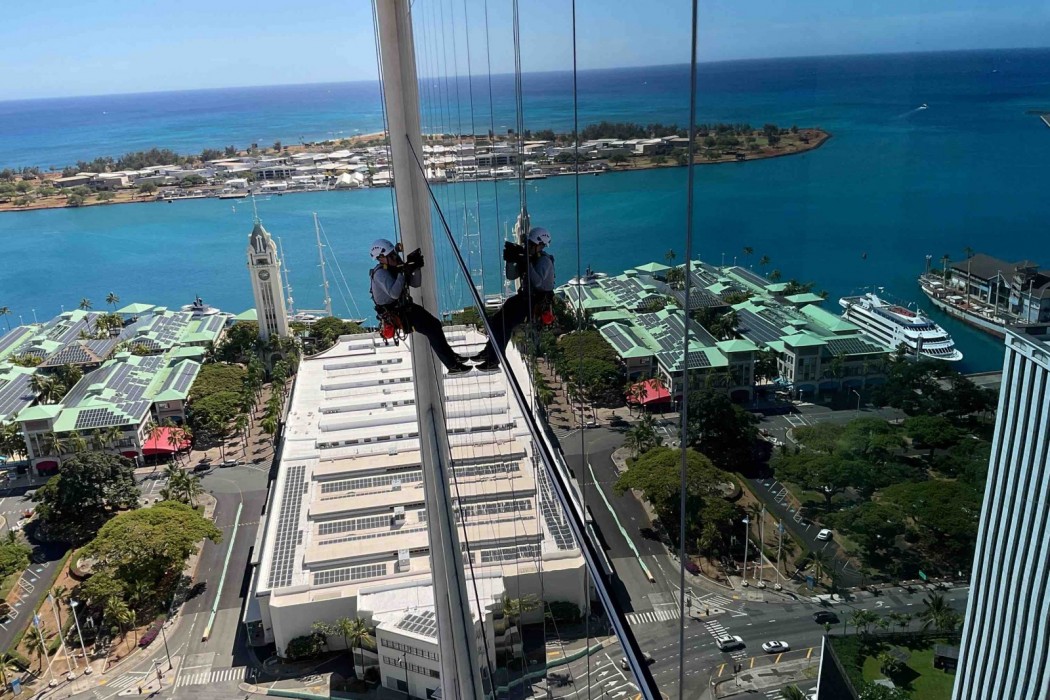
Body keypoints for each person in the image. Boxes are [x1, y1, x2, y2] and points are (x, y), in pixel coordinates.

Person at [369, 238, 472, 374]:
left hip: (404, 308)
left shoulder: (394, 267)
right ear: (381, 258)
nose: (395, 257)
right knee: (432, 329)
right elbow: (394, 294)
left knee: (435, 325)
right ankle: (452, 365)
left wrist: (416, 267)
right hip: (396, 313)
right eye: (391, 255)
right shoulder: (381, 274)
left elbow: (415, 283)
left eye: (394, 254)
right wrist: (403, 272)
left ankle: (452, 358)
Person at [471, 226, 556, 371]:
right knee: (497, 320)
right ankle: (489, 352)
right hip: (525, 298)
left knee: (505, 324)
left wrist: (526, 262)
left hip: (535, 302)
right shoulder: (531, 258)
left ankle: (494, 360)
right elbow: (512, 276)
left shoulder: (544, 261)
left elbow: (538, 283)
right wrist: (511, 260)